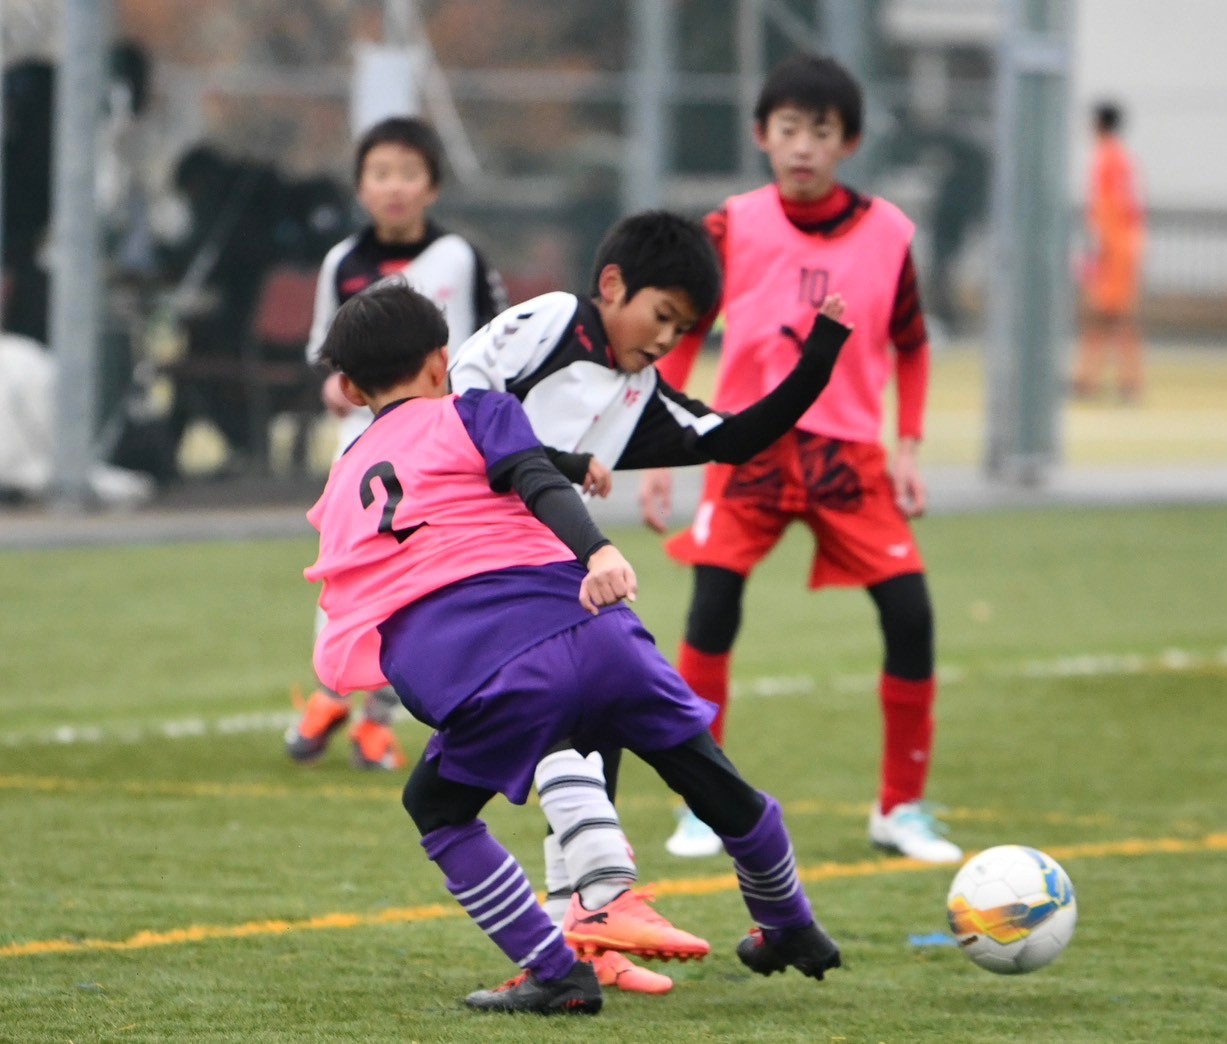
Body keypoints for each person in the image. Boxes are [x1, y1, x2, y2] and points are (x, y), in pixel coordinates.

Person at [304, 282, 843, 1016]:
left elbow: (351, 592)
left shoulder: (343, 481)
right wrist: (597, 550)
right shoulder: (476, 409)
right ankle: (789, 923)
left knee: (437, 806)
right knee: (707, 774)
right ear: (439, 362)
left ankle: (557, 971)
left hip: (485, 664)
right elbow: (530, 475)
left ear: (348, 388)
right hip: (594, 624)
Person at [448, 209, 851, 994]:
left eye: (683, 327)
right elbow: (462, 405)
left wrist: (819, 361)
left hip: (549, 578)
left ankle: (585, 937)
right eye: (660, 314)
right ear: (610, 285)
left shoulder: (636, 389)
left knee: (595, 723)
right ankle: (614, 906)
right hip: (470, 569)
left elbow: (731, 438)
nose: (667, 338)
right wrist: (562, 462)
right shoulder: (552, 320)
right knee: (570, 727)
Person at [638, 53, 962, 865]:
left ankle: (900, 808)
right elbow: (679, 333)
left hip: (846, 460)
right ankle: (703, 807)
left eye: (821, 130)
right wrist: (663, 447)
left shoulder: (889, 234)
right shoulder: (730, 227)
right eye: (788, 128)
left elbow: (912, 343)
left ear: (848, 141)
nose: (803, 145)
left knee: (910, 615)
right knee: (712, 610)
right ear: (762, 136)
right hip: (746, 447)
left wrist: (909, 446)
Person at [285, 116, 508, 772]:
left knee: (420, 580)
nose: (394, 187)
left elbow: (499, 339)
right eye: (380, 174)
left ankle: (376, 720)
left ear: (432, 186)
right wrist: (336, 387)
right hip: (363, 447)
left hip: (441, 451)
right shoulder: (343, 262)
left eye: (409, 174)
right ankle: (331, 693)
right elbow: (326, 354)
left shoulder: (460, 258)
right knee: (348, 569)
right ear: (361, 186)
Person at [1072, 100, 1145, 404]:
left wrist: (1100, 244)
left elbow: (1111, 205)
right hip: (1120, 243)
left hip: (1114, 244)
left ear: (1100, 123)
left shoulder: (1108, 157)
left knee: (1112, 315)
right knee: (1105, 315)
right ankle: (1090, 378)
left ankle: (1123, 382)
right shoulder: (1120, 156)